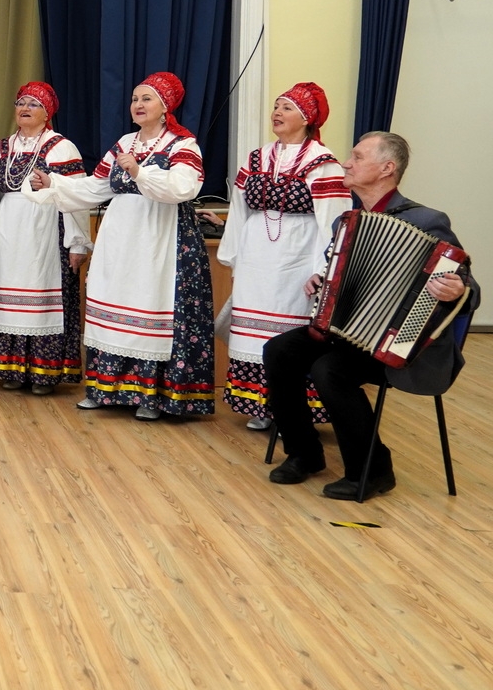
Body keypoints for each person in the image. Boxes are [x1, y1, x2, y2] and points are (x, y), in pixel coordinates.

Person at [264, 131, 479, 500]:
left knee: (329, 369)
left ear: (386, 168)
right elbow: (341, 276)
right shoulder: (346, 223)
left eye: (357, 157)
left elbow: (467, 285)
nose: (346, 163)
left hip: (403, 342)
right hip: (347, 332)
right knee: (279, 351)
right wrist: (322, 282)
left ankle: (374, 471)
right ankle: (304, 453)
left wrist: (458, 289)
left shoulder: (428, 220)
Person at [25, 71, 214, 421]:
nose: (137, 104)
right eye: (134, 99)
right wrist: (54, 184)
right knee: (113, 301)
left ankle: (151, 396)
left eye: (146, 99)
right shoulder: (125, 142)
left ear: (165, 106)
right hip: (121, 236)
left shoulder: (183, 144)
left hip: (160, 236)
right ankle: (104, 389)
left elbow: (184, 188)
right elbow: (97, 187)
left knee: (149, 304)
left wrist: (141, 173)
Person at [217, 83, 346, 430]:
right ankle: (259, 406)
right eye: (276, 106)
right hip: (256, 251)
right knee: (251, 332)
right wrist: (234, 257)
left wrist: (323, 269)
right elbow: (240, 209)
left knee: (289, 329)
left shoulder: (323, 163)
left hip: (298, 254)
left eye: (287, 108)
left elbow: (334, 221)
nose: (277, 112)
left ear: (307, 118)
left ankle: (291, 411)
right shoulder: (256, 158)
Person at [0, 82, 91, 395]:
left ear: (47, 113)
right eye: (21, 103)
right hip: (8, 231)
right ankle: (13, 369)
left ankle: (44, 373)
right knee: (9, 299)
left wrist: (78, 242)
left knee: (44, 296)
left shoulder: (62, 147)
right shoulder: (1, 148)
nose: (25, 109)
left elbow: (77, 197)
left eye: (33, 104)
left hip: (46, 231)